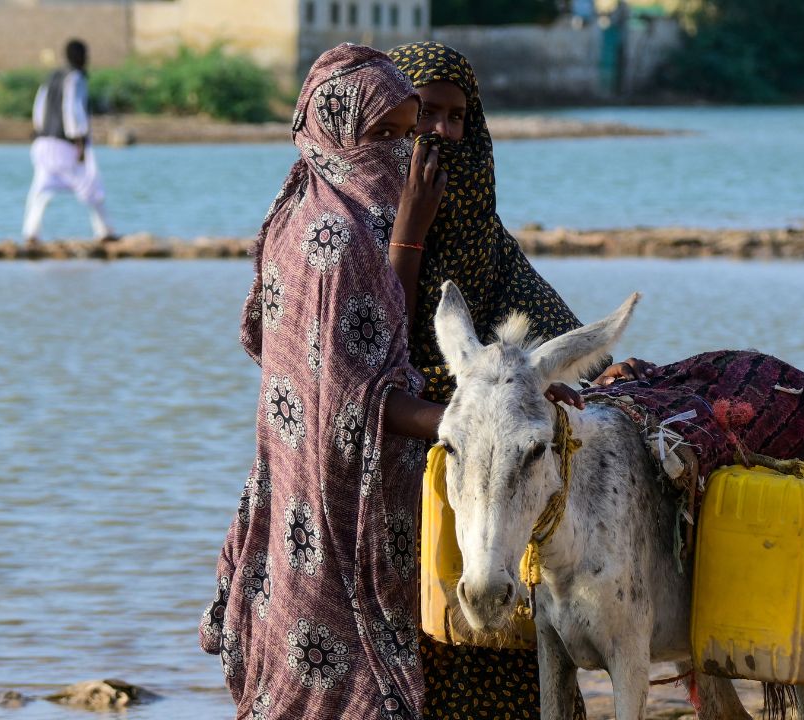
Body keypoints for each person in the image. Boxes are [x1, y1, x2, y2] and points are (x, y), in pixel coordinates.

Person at [199, 43, 585, 720]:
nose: (427, 140)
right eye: (409, 124)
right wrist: (470, 416)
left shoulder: (461, 227)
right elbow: (359, 381)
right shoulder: (340, 231)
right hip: (364, 499)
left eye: (447, 118)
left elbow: (543, 343)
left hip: (452, 505)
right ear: (339, 130)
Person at [388, 40, 651, 720]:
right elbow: (373, 338)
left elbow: (549, 326)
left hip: (497, 469)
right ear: (394, 116)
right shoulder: (362, 219)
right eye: (425, 115)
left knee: (505, 660)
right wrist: (410, 228)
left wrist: (587, 376)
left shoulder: (481, 231)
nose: (442, 132)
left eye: (457, 117)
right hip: (401, 462)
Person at [23, 39, 116, 246]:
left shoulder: (52, 77)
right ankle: (105, 232)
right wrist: (80, 141)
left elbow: (39, 107)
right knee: (91, 183)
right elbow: (72, 109)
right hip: (65, 144)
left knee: (41, 189)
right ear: (80, 56)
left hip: (43, 143)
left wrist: (39, 130)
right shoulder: (75, 78)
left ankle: (31, 233)